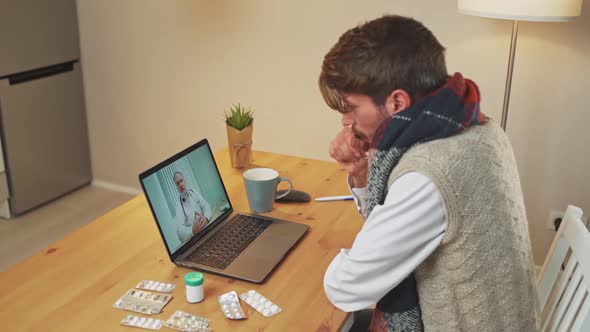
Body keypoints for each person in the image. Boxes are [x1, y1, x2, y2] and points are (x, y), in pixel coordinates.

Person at [319, 15, 538, 332]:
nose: (345, 121)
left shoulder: (428, 174)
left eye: (352, 108)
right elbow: (396, 229)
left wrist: (341, 260)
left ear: (397, 102)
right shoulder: (478, 126)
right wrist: (364, 174)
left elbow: (346, 288)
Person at [173, 171, 212, 244]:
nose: (181, 184)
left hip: (206, 229)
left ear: (185, 181)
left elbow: (206, 206)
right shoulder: (178, 205)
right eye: (178, 183)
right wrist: (192, 230)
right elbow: (180, 232)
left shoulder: (193, 191)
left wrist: (206, 218)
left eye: (181, 181)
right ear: (176, 187)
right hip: (195, 240)